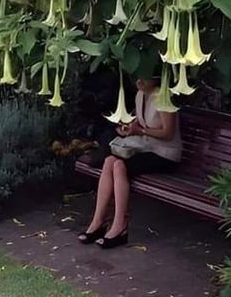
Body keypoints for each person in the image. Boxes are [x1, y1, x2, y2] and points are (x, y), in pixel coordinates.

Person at [78, 76, 182, 249]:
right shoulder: (141, 95)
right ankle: (98, 222)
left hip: (166, 155)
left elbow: (168, 133)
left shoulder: (164, 97)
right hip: (146, 149)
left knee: (119, 165)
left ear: (155, 78)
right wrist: (129, 128)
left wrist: (139, 131)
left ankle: (120, 225)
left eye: (144, 78)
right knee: (110, 160)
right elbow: (140, 123)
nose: (139, 82)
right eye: (137, 78)